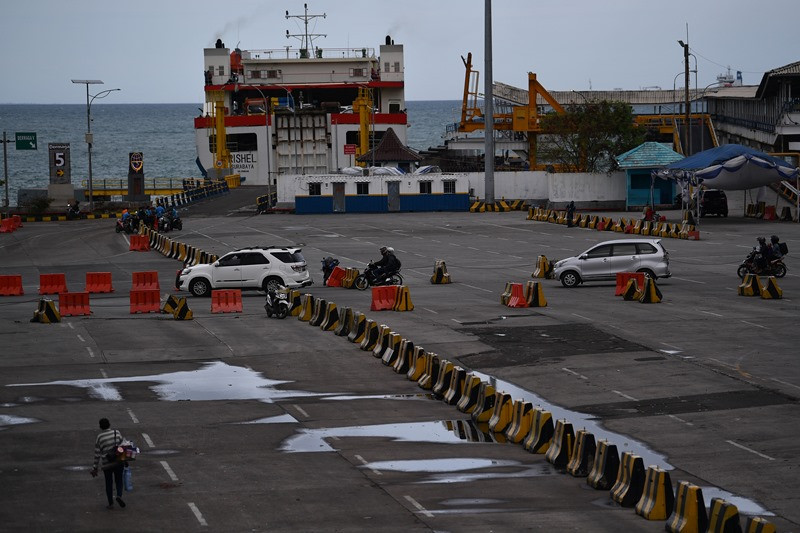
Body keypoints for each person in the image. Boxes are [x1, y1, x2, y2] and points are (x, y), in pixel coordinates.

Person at [91, 418, 126, 510]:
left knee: (108, 483)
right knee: (119, 480)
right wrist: (125, 460)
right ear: (109, 424)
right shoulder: (116, 433)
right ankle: (119, 495)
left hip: (107, 464)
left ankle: (111, 503)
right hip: (118, 462)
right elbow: (123, 446)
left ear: (100, 426)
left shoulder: (99, 437)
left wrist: (95, 467)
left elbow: (97, 453)